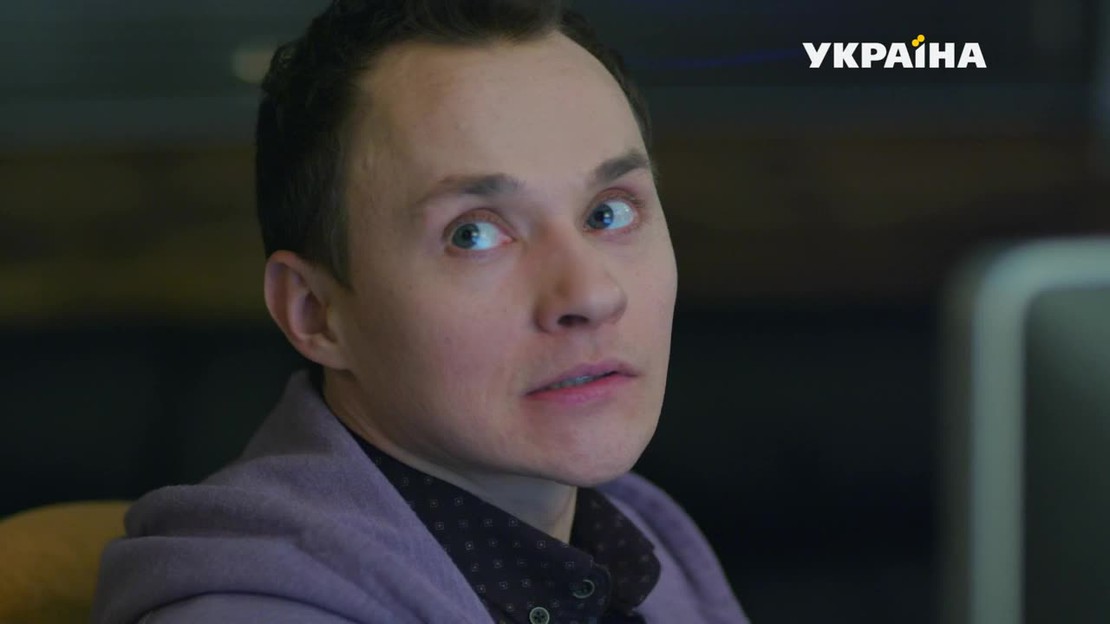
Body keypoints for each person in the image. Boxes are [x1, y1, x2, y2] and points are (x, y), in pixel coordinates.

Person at [93, 1, 749, 622]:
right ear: (315, 312)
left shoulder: (646, 542)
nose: (591, 295)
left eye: (609, 213)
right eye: (474, 234)